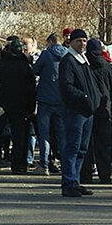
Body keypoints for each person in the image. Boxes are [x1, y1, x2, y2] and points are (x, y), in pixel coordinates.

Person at [58, 29, 102, 198]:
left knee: (82, 149)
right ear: (71, 42)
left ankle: (74, 181)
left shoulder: (84, 60)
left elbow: (91, 84)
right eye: (79, 41)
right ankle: (68, 182)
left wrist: (95, 98)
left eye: (84, 40)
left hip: (87, 111)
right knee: (72, 148)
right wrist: (84, 97)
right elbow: (66, 87)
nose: (82, 44)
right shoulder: (68, 61)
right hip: (75, 111)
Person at [0, 35, 37, 175]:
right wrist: (31, 107)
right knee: (19, 136)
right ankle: (18, 165)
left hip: (0, 104)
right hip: (20, 105)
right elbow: (31, 89)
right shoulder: (25, 67)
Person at [83, 37, 112, 184]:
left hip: (87, 108)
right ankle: (104, 174)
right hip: (104, 109)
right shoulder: (108, 67)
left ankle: (85, 174)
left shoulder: (84, 66)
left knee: (86, 143)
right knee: (104, 144)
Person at [32, 33, 68, 175]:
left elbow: (35, 71)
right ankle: (65, 164)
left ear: (50, 42)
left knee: (44, 134)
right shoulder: (67, 54)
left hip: (45, 99)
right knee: (62, 134)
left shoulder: (46, 55)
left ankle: (44, 164)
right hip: (62, 100)